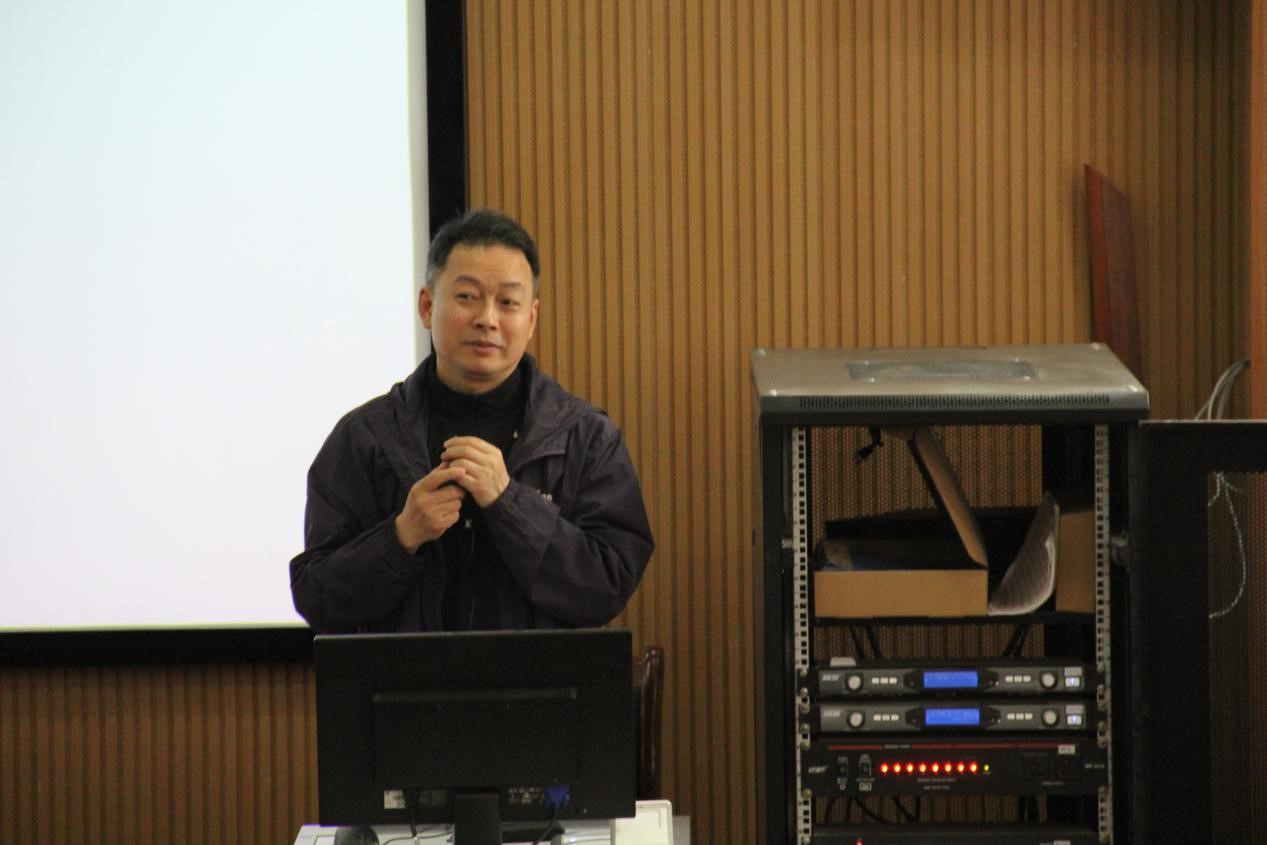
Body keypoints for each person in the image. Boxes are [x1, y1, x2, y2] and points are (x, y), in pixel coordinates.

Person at [290, 209, 654, 633]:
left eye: (508, 302)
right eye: (467, 296)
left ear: (531, 318)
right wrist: (402, 536)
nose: (487, 319)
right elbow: (317, 597)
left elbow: (607, 587)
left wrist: (508, 502)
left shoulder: (586, 437)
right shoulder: (363, 437)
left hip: (541, 677)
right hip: (404, 677)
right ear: (427, 306)